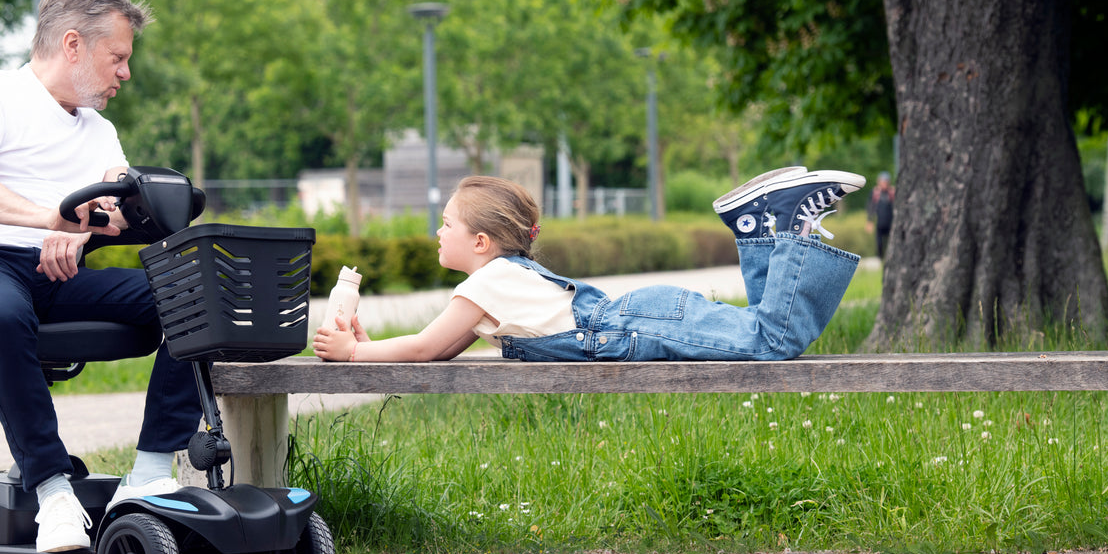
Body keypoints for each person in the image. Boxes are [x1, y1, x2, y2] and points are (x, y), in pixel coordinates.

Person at [0, 0, 201, 554]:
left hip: (53, 274)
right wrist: (53, 220)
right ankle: (52, 491)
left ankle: (147, 474)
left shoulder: (100, 130)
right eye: (117, 58)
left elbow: (118, 210)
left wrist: (91, 226)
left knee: (193, 297)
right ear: (74, 45)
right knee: (1, 310)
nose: (125, 74)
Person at [312, 168, 863, 364]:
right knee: (765, 333)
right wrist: (364, 343)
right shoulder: (498, 282)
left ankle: (780, 224)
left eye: (446, 224)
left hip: (636, 323)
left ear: (481, 242)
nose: (437, 231)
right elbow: (440, 347)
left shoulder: (490, 282)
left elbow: (426, 346)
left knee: (771, 342)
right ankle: (758, 224)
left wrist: (357, 350)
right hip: (639, 318)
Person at [865, 171, 894, 259]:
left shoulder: (892, 193)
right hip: (880, 222)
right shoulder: (875, 193)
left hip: (891, 222)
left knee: (891, 242)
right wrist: (869, 221)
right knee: (879, 243)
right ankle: (880, 258)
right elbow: (870, 207)